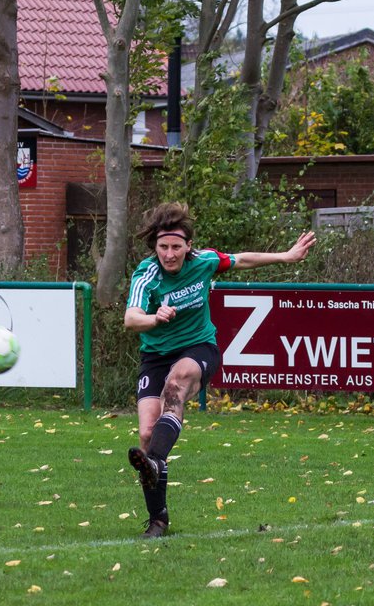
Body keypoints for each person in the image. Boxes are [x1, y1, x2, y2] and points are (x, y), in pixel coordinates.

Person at [124, 201, 315, 538]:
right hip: (154, 356)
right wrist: (155, 318)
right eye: (163, 247)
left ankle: (154, 464)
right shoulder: (146, 274)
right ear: (155, 247)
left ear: (188, 247)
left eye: (176, 247)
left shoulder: (204, 262)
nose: (169, 254)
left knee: (177, 383)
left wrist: (286, 256)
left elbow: (242, 259)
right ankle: (158, 518)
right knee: (146, 434)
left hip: (198, 348)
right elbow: (131, 318)